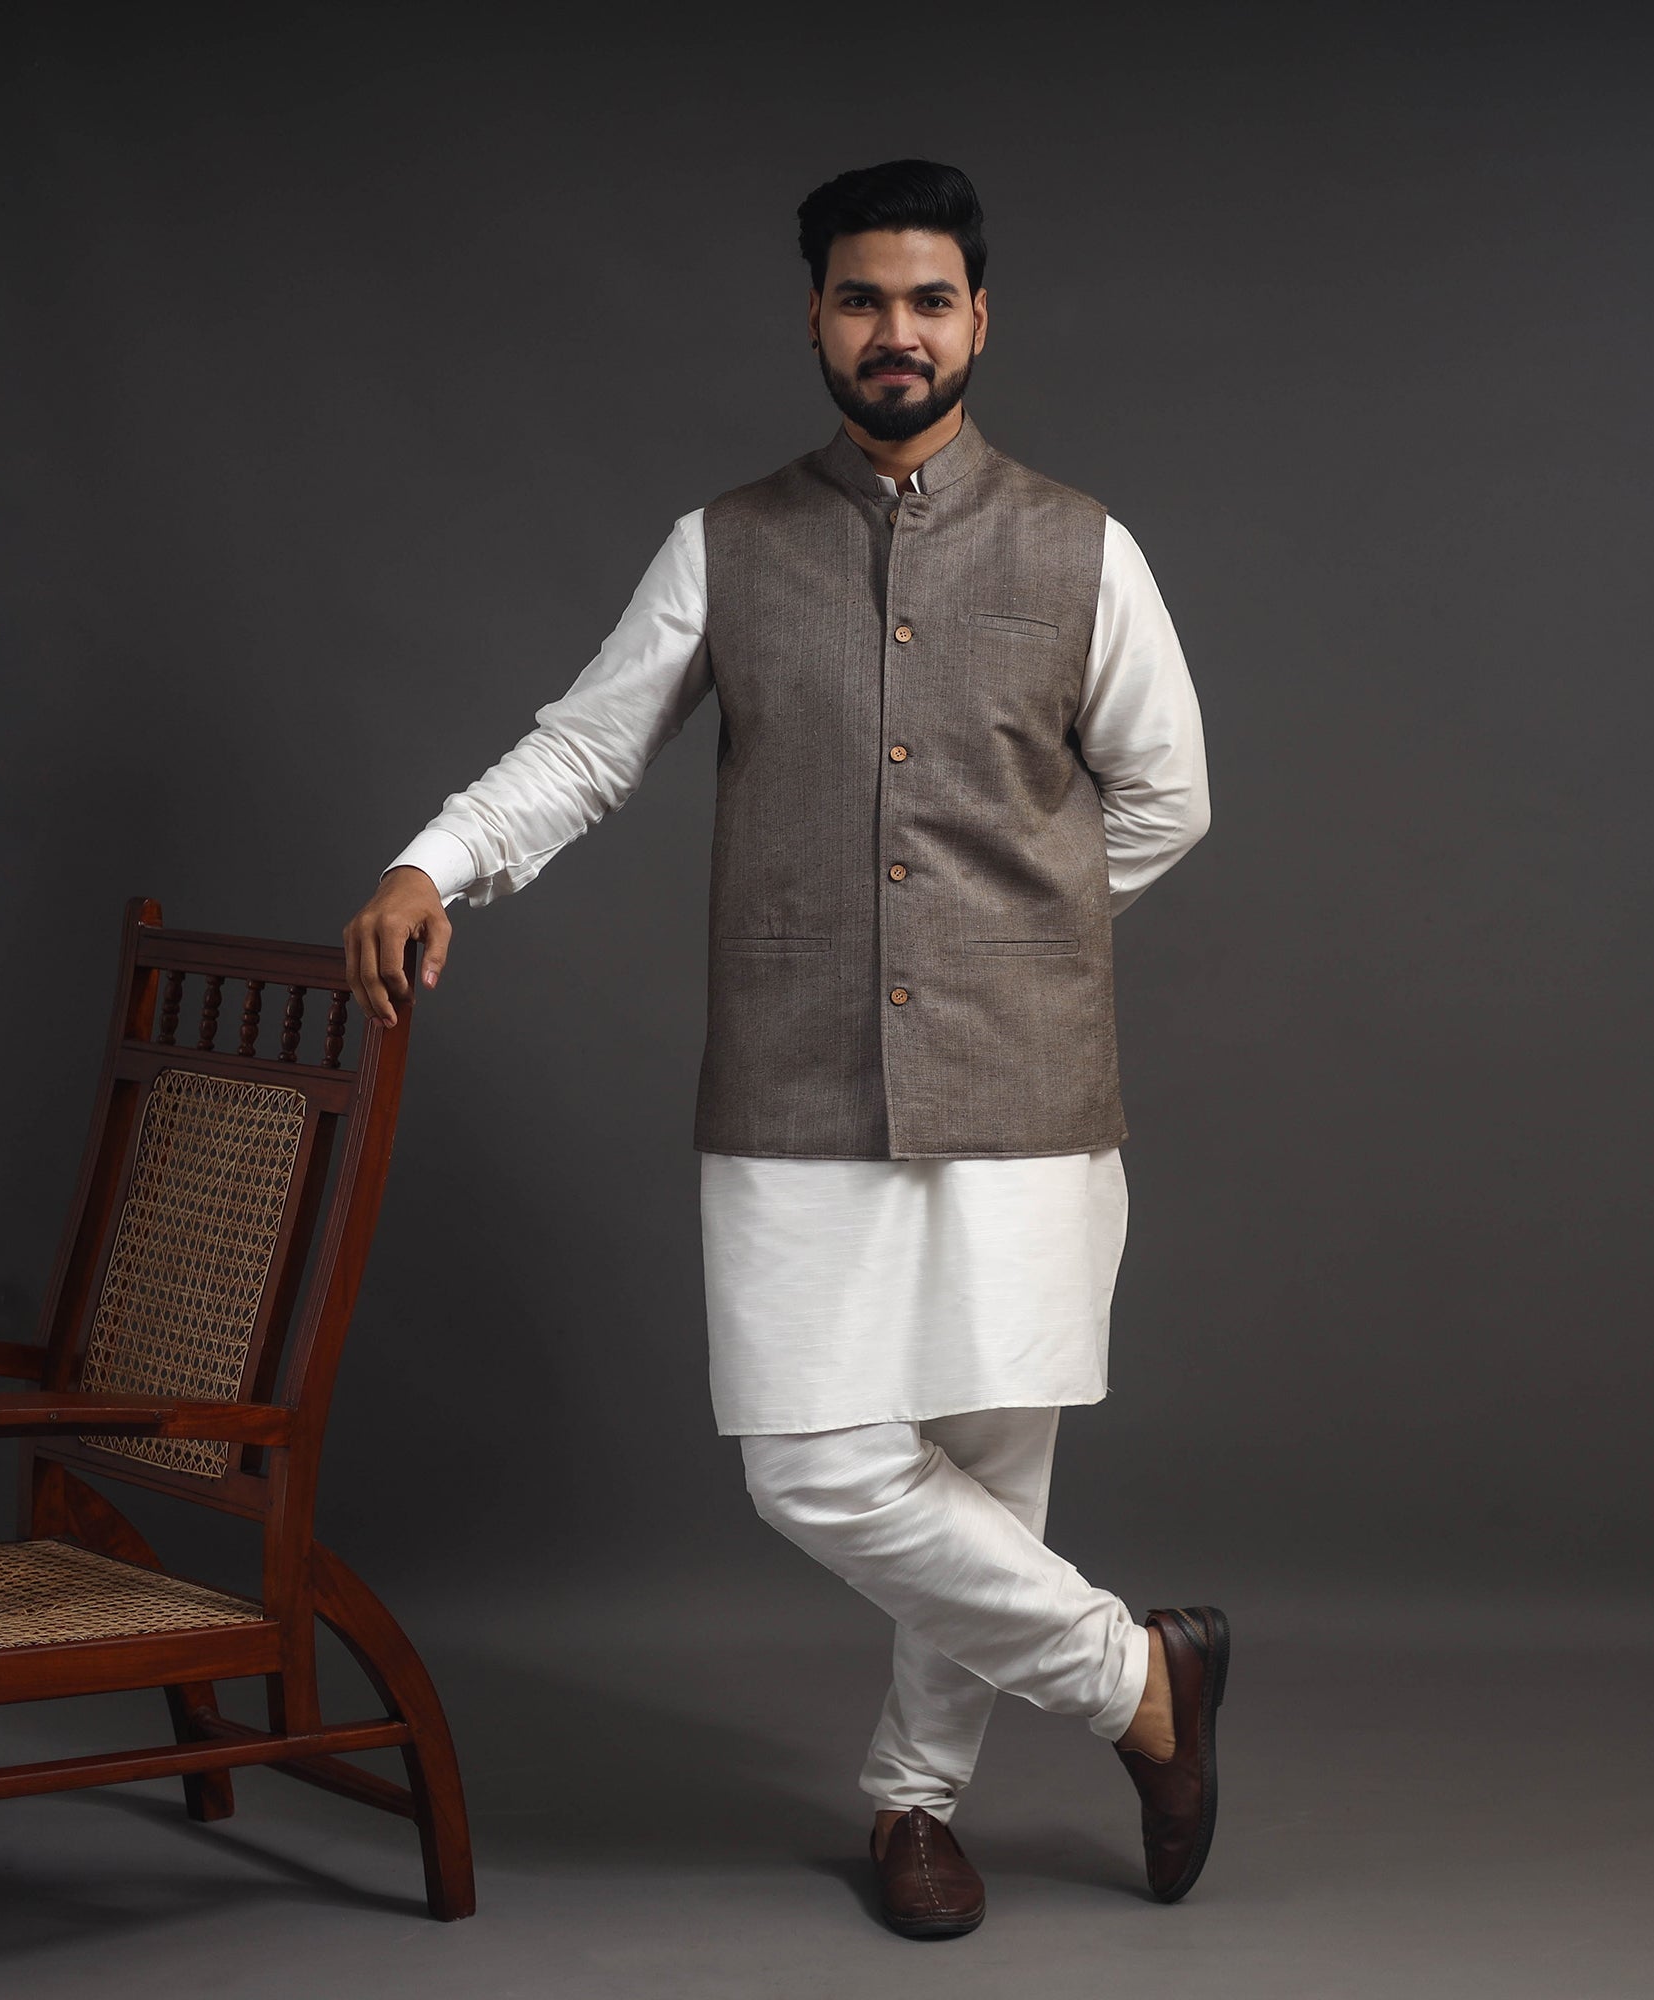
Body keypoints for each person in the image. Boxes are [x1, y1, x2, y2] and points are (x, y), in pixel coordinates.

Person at [343, 158, 1222, 1939]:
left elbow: (1168, 798)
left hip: (1028, 1094)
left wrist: (1006, 951)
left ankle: (915, 1805)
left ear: (980, 320)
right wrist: (436, 857)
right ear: (814, 319)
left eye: (927, 300)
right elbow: (588, 748)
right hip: (792, 1088)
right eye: (860, 299)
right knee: (811, 1465)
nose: (895, 330)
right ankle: (1141, 1683)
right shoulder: (724, 546)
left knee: (991, 1479)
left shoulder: (1085, 547)